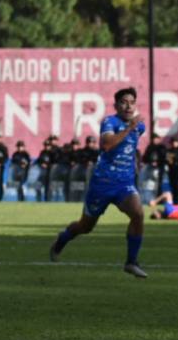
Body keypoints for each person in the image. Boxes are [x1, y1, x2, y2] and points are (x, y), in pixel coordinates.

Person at [48, 87, 148, 278]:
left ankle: (131, 262)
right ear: (116, 105)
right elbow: (107, 145)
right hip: (102, 184)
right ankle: (62, 240)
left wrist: (135, 163)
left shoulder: (139, 127)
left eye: (132, 102)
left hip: (124, 184)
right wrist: (129, 128)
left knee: (138, 214)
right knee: (85, 227)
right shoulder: (110, 122)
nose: (128, 106)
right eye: (124, 102)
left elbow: (131, 147)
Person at [140, 133, 166, 198]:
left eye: (156, 139)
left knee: (158, 184)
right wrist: (150, 162)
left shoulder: (162, 147)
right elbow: (145, 157)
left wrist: (158, 162)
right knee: (147, 184)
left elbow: (164, 157)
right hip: (150, 168)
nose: (155, 140)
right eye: (154, 139)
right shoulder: (150, 147)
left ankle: (158, 198)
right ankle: (148, 199)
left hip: (159, 168)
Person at [35, 137, 56, 202]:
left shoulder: (53, 153)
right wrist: (40, 164)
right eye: (45, 145)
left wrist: (48, 165)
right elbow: (38, 160)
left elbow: (54, 162)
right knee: (38, 186)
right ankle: (38, 200)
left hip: (49, 174)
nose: (47, 147)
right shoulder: (42, 152)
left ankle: (48, 201)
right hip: (42, 173)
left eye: (48, 145)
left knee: (48, 188)